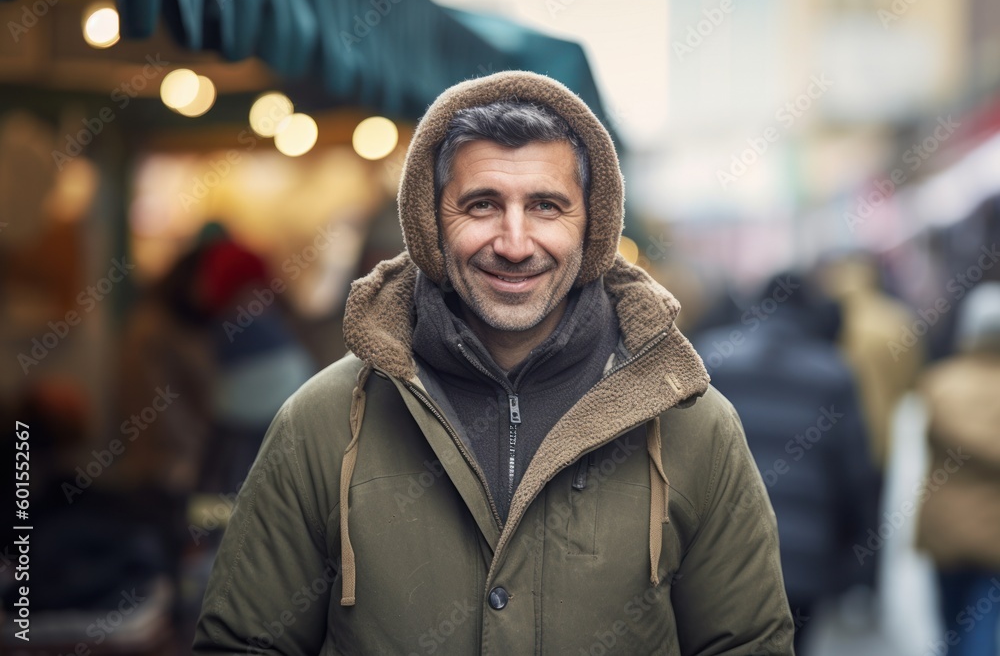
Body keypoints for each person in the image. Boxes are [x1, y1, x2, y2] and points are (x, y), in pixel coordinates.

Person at [194, 71, 793, 655]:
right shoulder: (321, 423)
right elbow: (244, 643)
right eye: (482, 205)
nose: (513, 242)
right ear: (430, 223)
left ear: (594, 225)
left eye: (546, 207)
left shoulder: (694, 426)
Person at [694, 276, 881, 654]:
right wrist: (858, 562)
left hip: (720, 551)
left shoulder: (712, 355)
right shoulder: (833, 372)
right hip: (805, 556)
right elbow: (856, 475)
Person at [916, 282, 1000, 656]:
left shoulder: (940, 383)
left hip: (944, 529)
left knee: (951, 622)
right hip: (994, 533)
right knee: (982, 623)